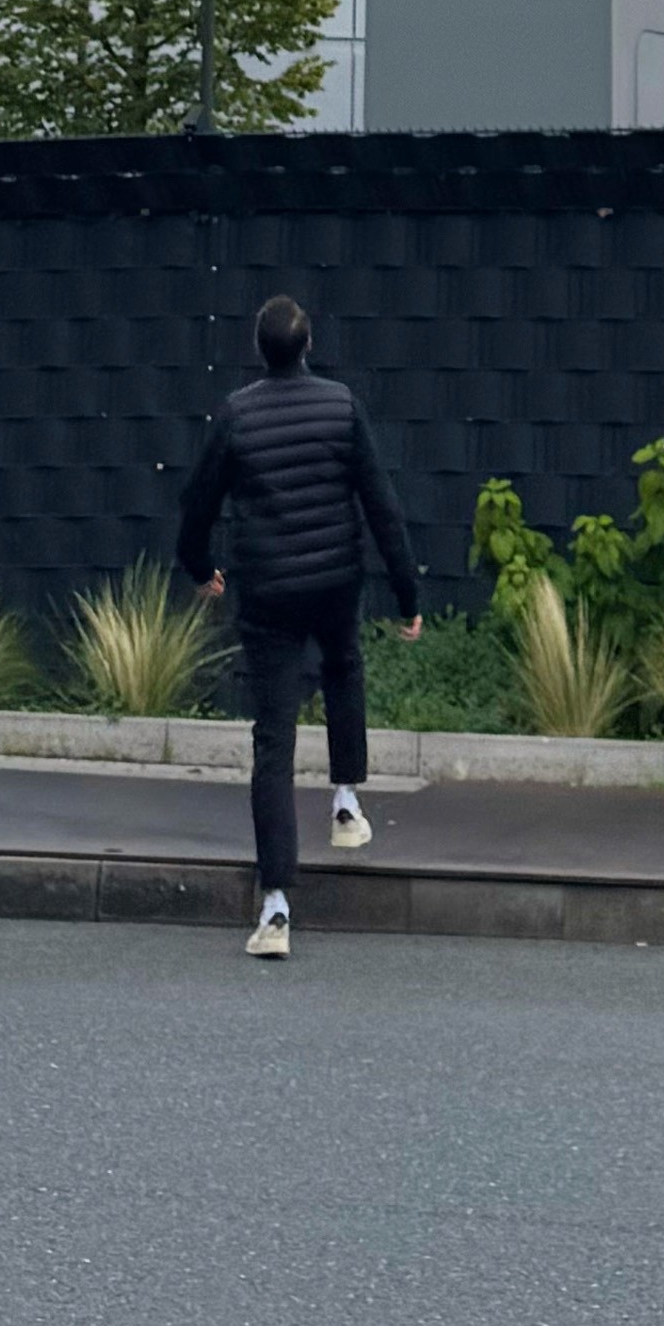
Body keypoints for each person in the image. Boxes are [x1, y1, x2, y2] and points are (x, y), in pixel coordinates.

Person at [176, 294, 422, 961]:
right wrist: (407, 594)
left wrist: (201, 568)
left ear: (261, 348)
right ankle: (345, 802)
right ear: (307, 343)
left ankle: (276, 905)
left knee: (273, 739)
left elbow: (196, 505)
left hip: (268, 589)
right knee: (343, 665)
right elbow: (381, 504)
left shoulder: (237, 413)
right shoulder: (341, 405)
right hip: (336, 577)